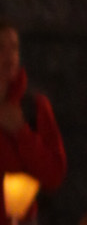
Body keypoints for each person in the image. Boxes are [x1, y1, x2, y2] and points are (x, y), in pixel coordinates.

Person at [0, 24, 66, 197]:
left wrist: (21, 132)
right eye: (0, 47)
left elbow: (54, 174)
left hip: (21, 213)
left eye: (14, 47)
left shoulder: (34, 106)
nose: (9, 55)